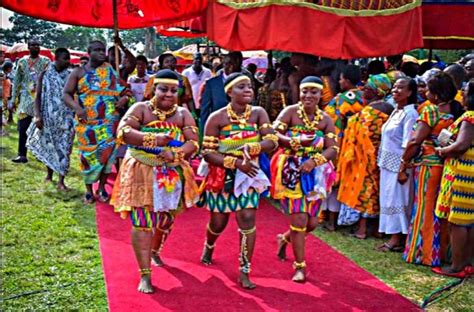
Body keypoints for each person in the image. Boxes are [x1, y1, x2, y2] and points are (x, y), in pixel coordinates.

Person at [111, 69, 200, 293]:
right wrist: (153, 140)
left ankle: (155, 250)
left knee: (166, 220)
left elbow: (194, 142)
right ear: (153, 89)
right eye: (163, 89)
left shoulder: (182, 113)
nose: (168, 94)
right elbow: (123, 132)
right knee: (142, 221)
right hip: (141, 170)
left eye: (173, 90)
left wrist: (177, 155)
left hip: (171, 172)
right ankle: (145, 275)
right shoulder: (140, 108)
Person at [199, 73, 278, 289]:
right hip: (222, 176)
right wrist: (235, 163)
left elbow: (272, 141)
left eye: (250, 86)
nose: (248, 90)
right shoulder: (217, 118)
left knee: (247, 218)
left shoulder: (259, 114)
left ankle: (245, 270)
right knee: (219, 222)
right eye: (242, 87)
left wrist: (254, 148)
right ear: (229, 92)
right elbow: (207, 153)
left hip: (249, 175)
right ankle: (209, 245)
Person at [272, 76, 337, 282]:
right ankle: (300, 266)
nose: (308, 95)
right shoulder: (289, 112)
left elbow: (333, 149)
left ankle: (284, 238)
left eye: (314, 92)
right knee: (299, 219)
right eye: (304, 91)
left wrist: (314, 161)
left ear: (321, 94)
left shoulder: (326, 119)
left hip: (315, 174)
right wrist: (294, 140)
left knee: (311, 223)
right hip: (291, 171)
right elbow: (273, 136)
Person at [401, 72, 464, 266]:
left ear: (435, 95)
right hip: (446, 166)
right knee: (441, 209)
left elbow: (415, 140)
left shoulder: (430, 111)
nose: (425, 92)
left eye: (428, 89)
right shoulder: (457, 111)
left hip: (428, 166)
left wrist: (403, 162)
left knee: (424, 209)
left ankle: (423, 253)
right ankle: (442, 253)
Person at [63, 40, 130, 204]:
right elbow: (66, 94)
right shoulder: (78, 72)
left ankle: (101, 188)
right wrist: (77, 108)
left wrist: (123, 99)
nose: (102, 53)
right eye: (97, 50)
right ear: (89, 52)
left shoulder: (110, 71)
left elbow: (125, 89)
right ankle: (88, 190)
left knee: (108, 156)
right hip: (87, 123)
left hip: (109, 122)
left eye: (103, 50)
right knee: (88, 156)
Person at [337, 77, 394, 238]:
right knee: (377, 190)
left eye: (367, 87)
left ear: (375, 91)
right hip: (379, 154)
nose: (364, 90)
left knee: (366, 190)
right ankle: (377, 229)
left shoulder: (370, 110)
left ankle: (362, 230)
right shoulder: (388, 108)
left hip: (364, 156)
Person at [432, 79, 474, 278]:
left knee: (458, 221)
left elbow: (461, 145)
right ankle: (466, 264)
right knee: (469, 221)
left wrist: (443, 150)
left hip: (463, 173)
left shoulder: (470, 117)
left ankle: (457, 266)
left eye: (464, 90)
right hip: (470, 173)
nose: (461, 93)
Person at [377, 77, 419, 252]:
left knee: (398, 200)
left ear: (409, 92)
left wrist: (402, 169)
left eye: (401, 88)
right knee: (388, 198)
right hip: (387, 163)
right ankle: (393, 234)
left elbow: (409, 144)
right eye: (394, 87)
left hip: (399, 164)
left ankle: (397, 239)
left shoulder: (410, 114)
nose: (396, 90)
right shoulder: (396, 111)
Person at [26, 48, 74, 191]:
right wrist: (38, 115)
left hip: (66, 118)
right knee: (50, 146)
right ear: (57, 59)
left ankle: (61, 180)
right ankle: (49, 174)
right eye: (65, 58)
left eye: (68, 58)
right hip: (48, 118)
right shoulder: (45, 75)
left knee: (65, 148)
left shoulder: (71, 76)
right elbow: (38, 96)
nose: (68, 61)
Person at [11, 39, 50, 163]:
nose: (36, 47)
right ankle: (22, 155)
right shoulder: (22, 62)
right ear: (28, 47)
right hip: (26, 100)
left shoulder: (46, 61)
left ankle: (41, 155)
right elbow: (17, 81)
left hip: (42, 100)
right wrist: (13, 99)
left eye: (38, 45)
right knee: (23, 128)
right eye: (33, 45)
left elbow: (50, 80)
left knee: (41, 129)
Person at [199, 52, 251, 135]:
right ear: (226, 64)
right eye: (230, 63)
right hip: (219, 129)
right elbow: (205, 109)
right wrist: (204, 133)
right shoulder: (212, 83)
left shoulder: (246, 81)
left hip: (242, 129)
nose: (234, 67)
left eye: (238, 64)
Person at [325, 64, 364, 138]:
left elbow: (330, 119)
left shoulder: (340, 100)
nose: (339, 82)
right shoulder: (363, 95)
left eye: (341, 79)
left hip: (346, 139)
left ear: (347, 81)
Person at [182, 52, 212, 116]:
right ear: (193, 60)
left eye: (200, 59)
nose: (198, 60)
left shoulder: (208, 72)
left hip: (204, 102)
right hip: (191, 103)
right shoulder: (186, 72)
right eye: (196, 59)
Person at [265, 57, 294, 121]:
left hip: (275, 115)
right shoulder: (291, 80)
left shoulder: (276, 82)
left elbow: (268, 102)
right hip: (280, 114)